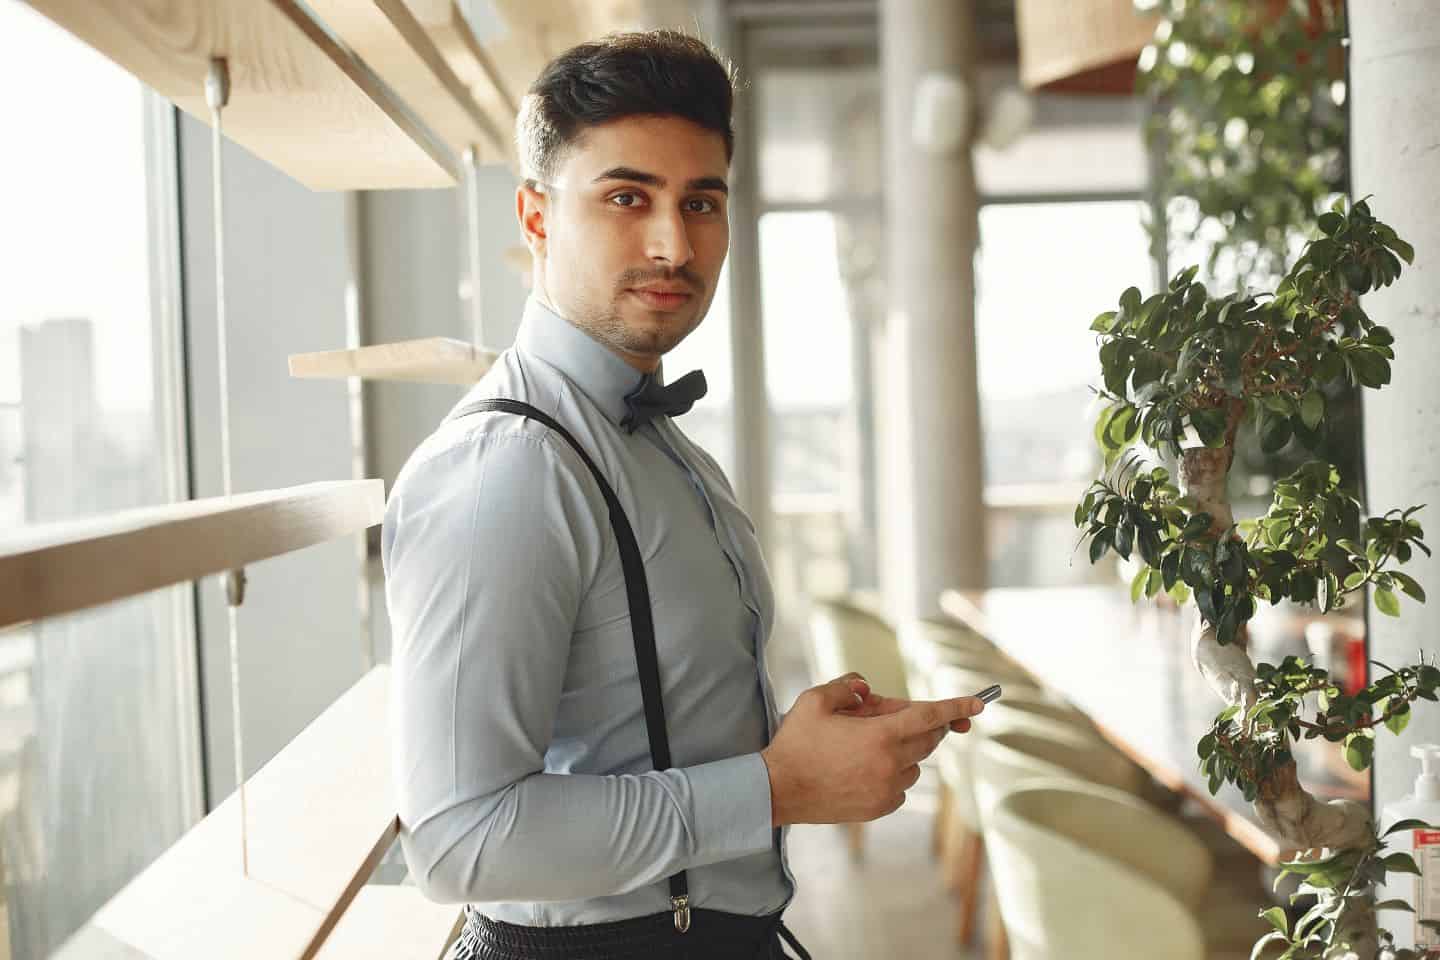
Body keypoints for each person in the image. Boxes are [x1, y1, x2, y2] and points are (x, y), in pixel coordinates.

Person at [381, 29, 986, 960]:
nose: (673, 242)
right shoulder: (506, 467)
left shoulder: (663, 442)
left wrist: (797, 746)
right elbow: (460, 841)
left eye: (700, 202)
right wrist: (775, 787)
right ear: (537, 217)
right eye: (628, 197)